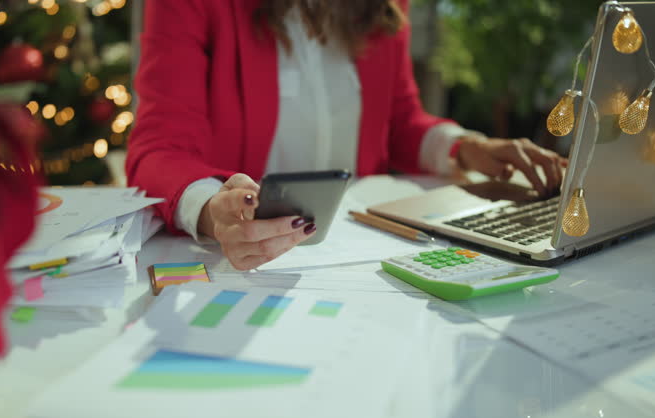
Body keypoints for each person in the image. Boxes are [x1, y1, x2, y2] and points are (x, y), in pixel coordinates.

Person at [127, 0, 565, 270]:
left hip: (364, 257)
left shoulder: (381, 6)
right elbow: (159, 149)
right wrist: (213, 210)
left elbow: (398, 121)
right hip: (248, 267)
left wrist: (467, 148)